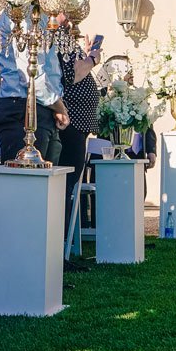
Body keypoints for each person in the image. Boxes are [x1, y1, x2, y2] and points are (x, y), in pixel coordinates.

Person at [0, 8, 69, 165]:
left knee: (48, 185)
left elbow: (49, 69)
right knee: (24, 182)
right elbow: (32, 76)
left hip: (43, 109)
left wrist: (56, 105)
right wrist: (59, 107)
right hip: (22, 109)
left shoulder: (42, 16)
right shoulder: (22, 14)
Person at [55, 21, 103, 230]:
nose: (70, 20)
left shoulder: (65, 37)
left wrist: (85, 55)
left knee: (70, 182)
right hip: (69, 122)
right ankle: (62, 236)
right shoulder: (53, 36)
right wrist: (92, 59)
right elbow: (71, 75)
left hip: (78, 123)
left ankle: (64, 236)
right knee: (66, 182)